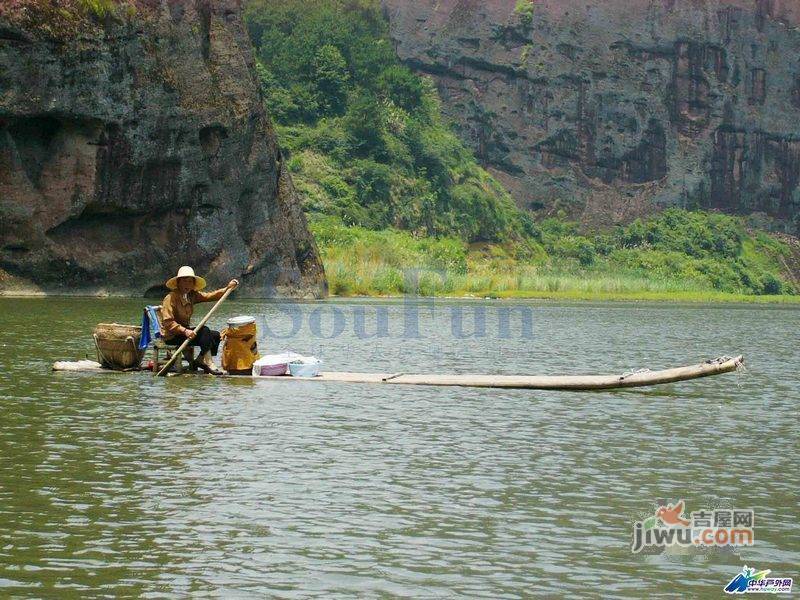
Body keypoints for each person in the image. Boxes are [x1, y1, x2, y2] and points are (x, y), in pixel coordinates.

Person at [161, 266, 238, 374]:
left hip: (185, 333)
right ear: (178, 282)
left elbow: (210, 296)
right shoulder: (171, 297)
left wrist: (227, 288)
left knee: (216, 335)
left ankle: (200, 360)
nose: (187, 285)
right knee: (204, 330)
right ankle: (209, 363)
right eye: (185, 281)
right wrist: (185, 331)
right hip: (172, 335)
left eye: (190, 282)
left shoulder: (191, 295)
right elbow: (168, 322)